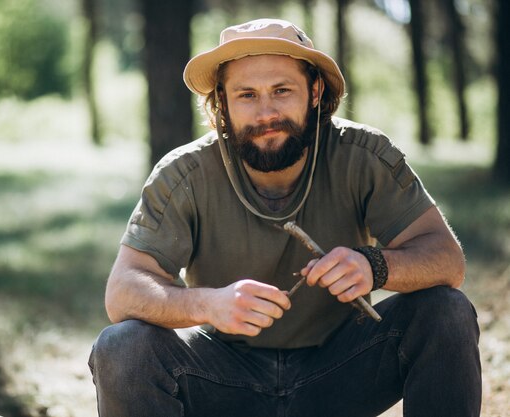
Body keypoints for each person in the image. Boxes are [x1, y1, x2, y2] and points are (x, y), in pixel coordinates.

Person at [89, 18, 481, 417]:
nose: (266, 112)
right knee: (122, 346)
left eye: (281, 90)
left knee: (445, 311)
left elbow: (448, 261)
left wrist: (375, 265)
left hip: (342, 371)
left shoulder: (364, 156)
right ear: (221, 102)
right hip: (220, 378)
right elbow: (123, 291)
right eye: (246, 95)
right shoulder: (183, 174)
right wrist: (209, 304)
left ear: (315, 92)